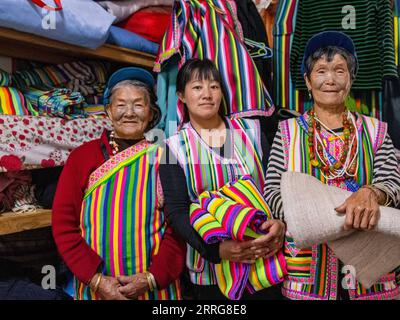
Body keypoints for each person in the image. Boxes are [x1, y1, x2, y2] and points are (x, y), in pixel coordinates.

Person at [264, 31, 400, 300]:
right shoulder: (288, 132)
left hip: (370, 271)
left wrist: (370, 193)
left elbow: (393, 186)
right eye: (321, 71)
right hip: (308, 272)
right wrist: (322, 216)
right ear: (307, 80)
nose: (330, 80)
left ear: (350, 78)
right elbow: (272, 194)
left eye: (340, 70)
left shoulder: (375, 131)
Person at [52, 67, 185, 300]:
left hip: (154, 289)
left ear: (152, 112)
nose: (129, 113)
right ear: (109, 111)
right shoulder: (83, 157)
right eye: (121, 104)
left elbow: (178, 228)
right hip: (97, 288)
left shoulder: (165, 157)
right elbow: (64, 225)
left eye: (138, 104)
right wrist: (97, 279)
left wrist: (152, 278)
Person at [159, 58, 286, 300]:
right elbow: (176, 212)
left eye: (214, 86)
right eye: (197, 87)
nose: (207, 94)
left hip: (265, 255)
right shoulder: (172, 149)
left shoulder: (252, 131)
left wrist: (280, 224)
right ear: (182, 96)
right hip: (212, 272)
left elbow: (276, 185)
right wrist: (217, 250)